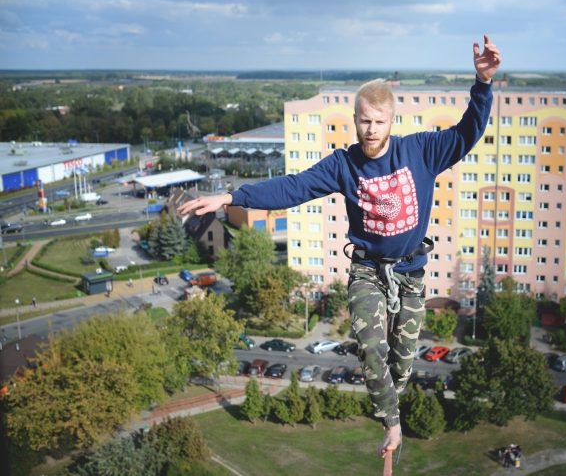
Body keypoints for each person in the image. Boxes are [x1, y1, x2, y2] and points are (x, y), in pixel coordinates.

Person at [178, 35, 501, 458]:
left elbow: (467, 133)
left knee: (403, 360)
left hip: (410, 273)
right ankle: (391, 423)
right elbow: (292, 188)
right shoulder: (344, 164)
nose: (371, 130)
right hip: (367, 270)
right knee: (371, 346)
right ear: (355, 120)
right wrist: (230, 197)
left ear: (391, 121)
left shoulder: (420, 151)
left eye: (379, 122)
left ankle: (392, 404)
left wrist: (483, 83)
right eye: (364, 121)